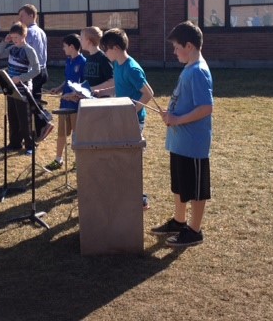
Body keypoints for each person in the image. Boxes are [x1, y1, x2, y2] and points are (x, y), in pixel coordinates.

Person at [151, 21, 213, 248]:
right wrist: (171, 114)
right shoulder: (189, 68)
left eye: (177, 47)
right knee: (180, 185)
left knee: (195, 189)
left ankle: (194, 231)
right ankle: (179, 222)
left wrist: (177, 119)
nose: (175, 52)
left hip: (193, 144)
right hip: (179, 141)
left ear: (189, 45)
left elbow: (206, 107)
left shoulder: (198, 71)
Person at [95, 28, 154, 209]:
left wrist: (132, 112)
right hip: (122, 117)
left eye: (106, 48)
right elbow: (117, 86)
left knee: (130, 159)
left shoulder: (132, 68)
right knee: (120, 157)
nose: (104, 53)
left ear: (116, 47)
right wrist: (100, 92)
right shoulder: (118, 64)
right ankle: (124, 192)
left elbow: (148, 94)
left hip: (134, 120)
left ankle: (140, 198)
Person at [0, 22, 53, 154]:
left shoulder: (29, 50)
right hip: (11, 88)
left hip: (23, 89)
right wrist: (5, 41)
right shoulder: (12, 49)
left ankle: (30, 145)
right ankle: (15, 143)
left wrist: (21, 78)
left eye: (16, 38)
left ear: (24, 36)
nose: (14, 40)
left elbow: (37, 70)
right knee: (13, 117)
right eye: (12, 38)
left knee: (24, 118)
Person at [45, 34, 86, 171]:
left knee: (77, 134)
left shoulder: (83, 62)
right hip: (64, 103)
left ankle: (78, 161)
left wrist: (74, 95)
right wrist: (59, 88)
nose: (63, 49)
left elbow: (85, 86)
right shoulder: (68, 61)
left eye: (64, 46)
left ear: (72, 47)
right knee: (61, 133)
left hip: (76, 105)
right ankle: (58, 159)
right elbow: (67, 80)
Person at [18, 4, 50, 138]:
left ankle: (43, 122)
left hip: (34, 71)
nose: (20, 20)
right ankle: (40, 128)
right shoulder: (41, 31)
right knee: (35, 100)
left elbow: (26, 52)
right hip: (42, 70)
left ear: (31, 16)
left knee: (30, 103)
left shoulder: (30, 32)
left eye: (22, 16)